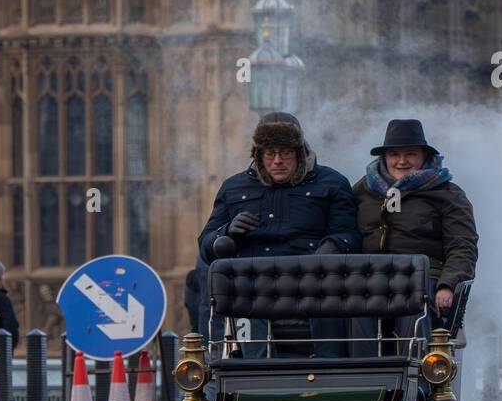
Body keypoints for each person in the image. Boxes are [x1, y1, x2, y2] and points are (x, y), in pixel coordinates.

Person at [196, 111, 360, 353]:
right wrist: (226, 232)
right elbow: (205, 245)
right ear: (259, 155)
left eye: (286, 152)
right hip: (251, 285)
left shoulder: (332, 183)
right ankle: (238, 367)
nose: (277, 161)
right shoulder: (233, 188)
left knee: (332, 289)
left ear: (300, 152)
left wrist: (332, 247)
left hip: (313, 280)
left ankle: (330, 370)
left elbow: (350, 235)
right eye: (270, 153)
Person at [352, 119, 477, 325]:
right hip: (371, 277)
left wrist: (448, 284)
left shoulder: (448, 194)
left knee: (415, 298)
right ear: (385, 158)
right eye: (394, 154)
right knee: (353, 301)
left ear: (424, 156)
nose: (402, 161)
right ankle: (362, 357)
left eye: (410, 153)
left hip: (423, 278)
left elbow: (462, 245)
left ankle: (412, 357)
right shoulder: (363, 190)